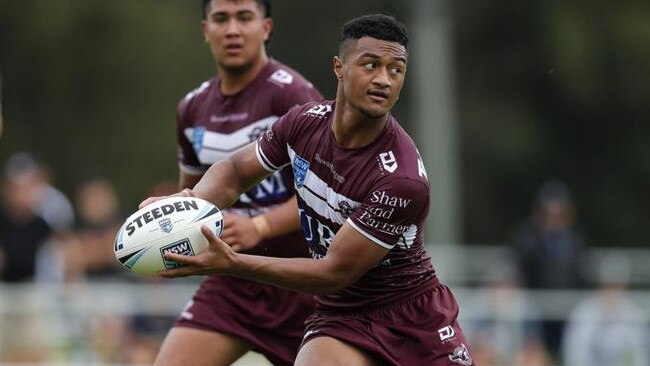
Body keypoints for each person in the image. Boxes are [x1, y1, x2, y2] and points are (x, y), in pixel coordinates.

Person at [142, 13, 475, 366]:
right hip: (343, 315)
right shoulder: (304, 122)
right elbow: (237, 171)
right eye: (371, 64)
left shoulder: (401, 180)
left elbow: (334, 272)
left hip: (413, 322)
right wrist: (192, 201)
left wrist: (235, 260)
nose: (384, 80)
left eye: (396, 70)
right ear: (339, 68)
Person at [153, 0, 324, 365]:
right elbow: (193, 201)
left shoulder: (292, 95)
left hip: (303, 287)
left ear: (265, 28)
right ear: (205, 30)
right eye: (221, 19)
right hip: (230, 285)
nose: (232, 29)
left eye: (244, 17)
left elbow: (329, 198)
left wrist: (259, 226)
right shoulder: (192, 108)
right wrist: (162, 230)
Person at [508, 178, 587, 358]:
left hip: (568, 307)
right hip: (535, 307)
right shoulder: (528, 237)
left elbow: (580, 275)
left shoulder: (575, 240)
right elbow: (522, 268)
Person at [561, 255, 649, 366]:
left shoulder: (635, 315)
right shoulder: (583, 313)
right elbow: (574, 355)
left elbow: (640, 357)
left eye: (617, 286)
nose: (612, 292)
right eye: (608, 285)